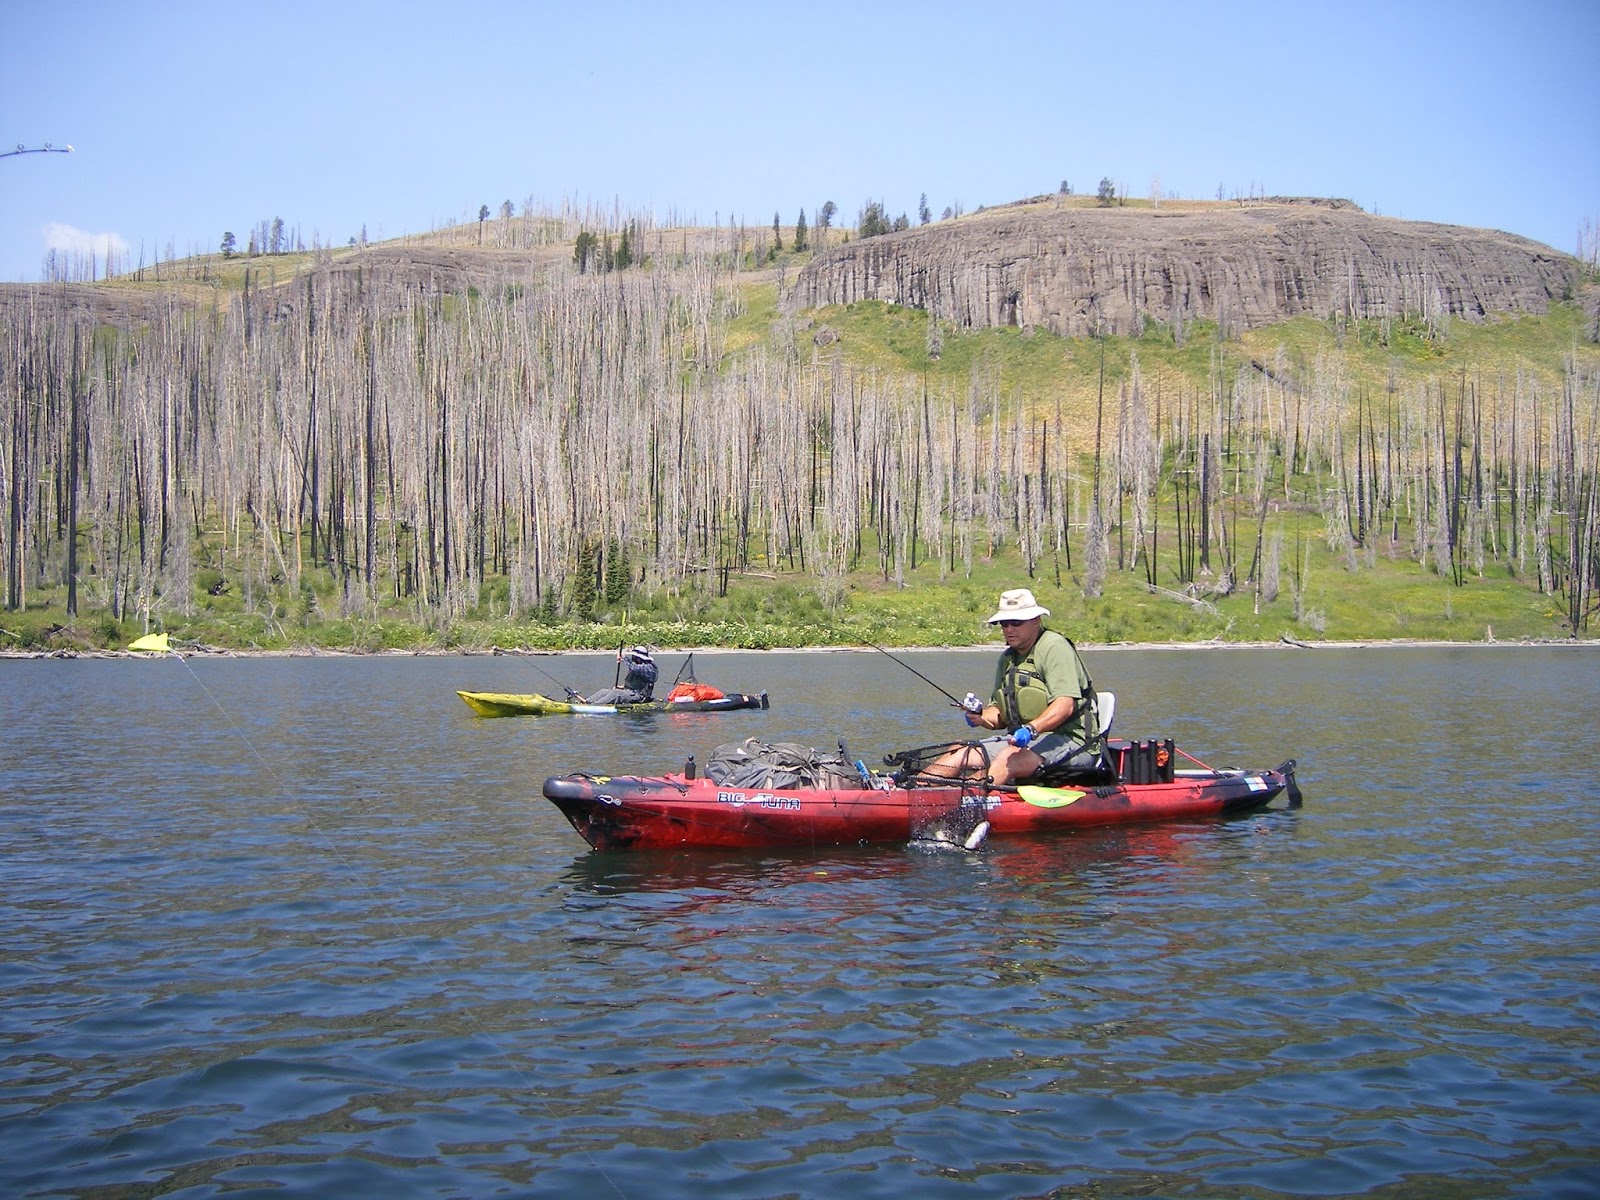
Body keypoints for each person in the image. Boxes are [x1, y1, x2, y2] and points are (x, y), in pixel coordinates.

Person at [928, 588, 1098, 786]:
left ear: (1036, 620)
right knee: (960, 752)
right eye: (1004, 623)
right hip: (1023, 743)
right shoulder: (1007, 659)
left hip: (1074, 742)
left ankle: (967, 800)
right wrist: (980, 716)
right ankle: (915, 792)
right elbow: (999, 715)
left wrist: (1030, 730)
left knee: (1007, 758)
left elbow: (1064, 706)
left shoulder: (1054, 647)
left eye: (1016, 622)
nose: (1009, 629)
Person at [583, 646, 659, 705]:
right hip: (629, 693)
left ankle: (594, 706)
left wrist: (624, 658)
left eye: (634, 657)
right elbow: (633, 683)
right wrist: (621, 687)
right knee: (603, 692)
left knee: (616, 693)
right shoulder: (636, 665)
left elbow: (635, 668)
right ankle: (586, 702)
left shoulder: (648, 668)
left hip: (638, 696)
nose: (633, 658)